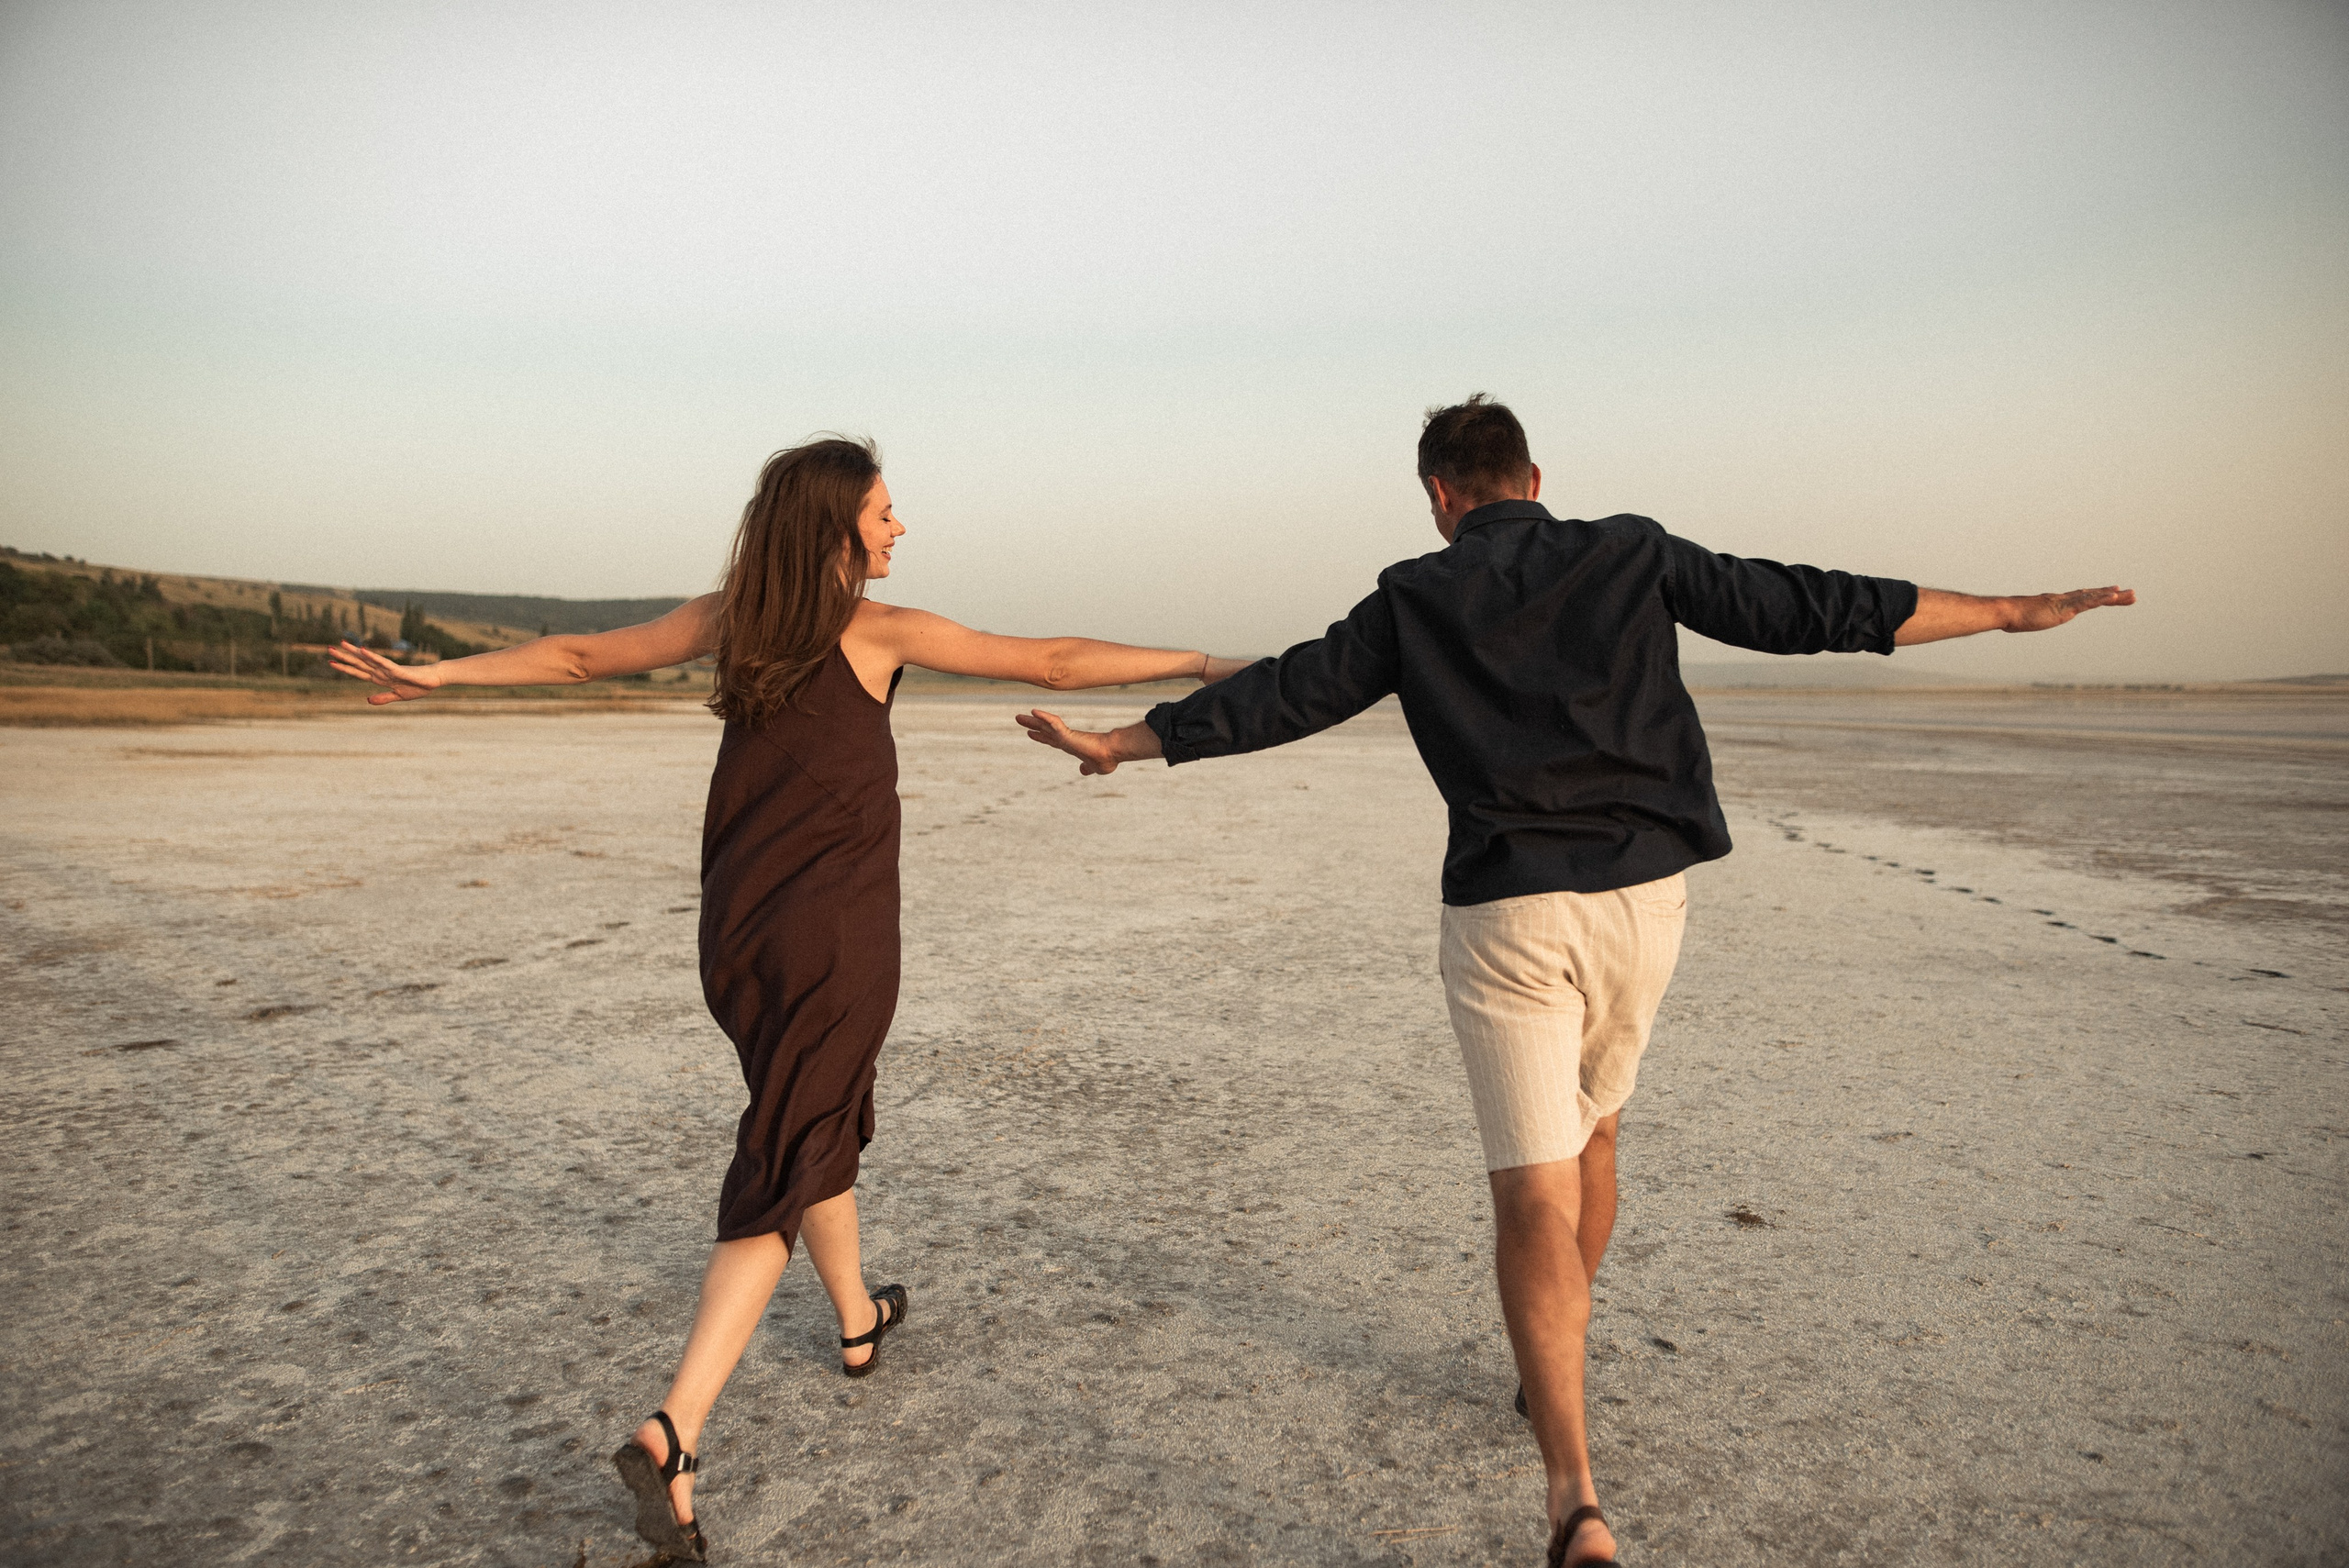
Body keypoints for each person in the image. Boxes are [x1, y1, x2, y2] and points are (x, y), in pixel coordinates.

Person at [1017, 395, 2133, 1568]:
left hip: (1508, 910)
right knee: (1597, 1133)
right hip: (1646, 902)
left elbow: (1289, 691)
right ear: (1534, 476)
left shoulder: (1414, 592)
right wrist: (2011, 610)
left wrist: (1127, 743)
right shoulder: (1631, 549)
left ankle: (1575, 1495)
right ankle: (1556, 1374)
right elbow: (1812, 605)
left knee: (1530, 1196)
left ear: (1440, 495)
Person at [329, 437, 1246, 1562]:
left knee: (814, 1108)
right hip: (835, 936)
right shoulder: (871, 629)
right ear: (835, 527)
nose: (899, 528)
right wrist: (1208, 660)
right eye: (884, 511)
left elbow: (575, 657)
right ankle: (674, 1430)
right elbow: (1049, 659)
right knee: (788, 1143)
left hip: (740, 929)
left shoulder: (733, 616)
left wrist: (435, 676)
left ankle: (856, 1319)